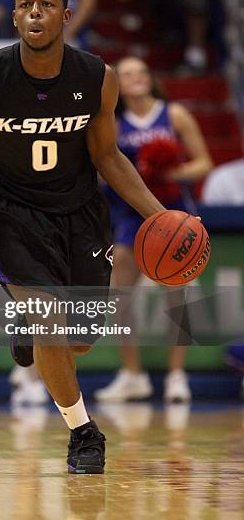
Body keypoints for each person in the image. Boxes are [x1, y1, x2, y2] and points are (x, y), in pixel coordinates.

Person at [0, 0, 169, 474]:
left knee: (77, 339)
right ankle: (83, 431)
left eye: (47, 3)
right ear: (14, 16)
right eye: (25, 4)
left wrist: (161, 216)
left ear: (66, 15)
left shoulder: (97, 76)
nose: (35, 12)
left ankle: (24, 321)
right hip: (8, 213)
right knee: (49, 319)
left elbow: (107, 155)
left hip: (78, 216)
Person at [94, 56, 213, 404]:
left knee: (177, 296)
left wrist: (170, 173)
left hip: (174, 213)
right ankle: (133, 375)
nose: (135, 78)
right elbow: (103, 170)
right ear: (118, 85)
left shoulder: (174, 115)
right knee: (119, 296)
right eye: (127, 73)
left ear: (150, 78)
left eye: (141, 72)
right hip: (131, 217)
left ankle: (177, 376)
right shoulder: (113, 124)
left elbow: (204, 162)